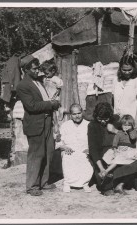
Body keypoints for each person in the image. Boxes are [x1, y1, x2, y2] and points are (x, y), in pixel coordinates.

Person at [16, 57, 61, 196]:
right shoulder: (23, 85)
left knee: (48, 152)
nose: (37, 71)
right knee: (36, 155)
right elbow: (32, 106)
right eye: (34, 69)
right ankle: (32, 186)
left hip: (47, 121)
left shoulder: (39, 82)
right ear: (25, 70)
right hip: (35, 124)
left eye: (37, 68)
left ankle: (44, 182)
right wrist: (51, 104)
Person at [88, 102, 137, 196]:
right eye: (100, 119)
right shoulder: (92, 125)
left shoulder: (116, 120)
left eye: (105, 119)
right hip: (102, 154)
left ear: (110, 116)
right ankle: (108, 184)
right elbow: (93, 149)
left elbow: (129, 135)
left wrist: (115, 130)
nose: (103, 121)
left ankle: (120, 185)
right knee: (105, 177)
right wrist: (101, 168)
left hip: (119, 150)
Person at [56, 104, 93, 193]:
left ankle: (85, 183)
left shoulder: (89, 125)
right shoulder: (65, 125)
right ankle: (67, 183)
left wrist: (90, 149)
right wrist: (64, 147)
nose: (77, 116)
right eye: (74, 114)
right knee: (68, 156)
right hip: (69, 150)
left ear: (82, 113)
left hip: (84, 150)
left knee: (85, 158)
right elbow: (58, 141)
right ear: (70, 115)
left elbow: (94, 141)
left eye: (79, 113)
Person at [113, 55, 137, 153]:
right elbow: (113, 101)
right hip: (119, 122)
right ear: (120, 68)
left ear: (134, 68)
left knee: (132, 149)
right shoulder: (116, 80)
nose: (127, 72)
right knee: (119, 149)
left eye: (129, 70)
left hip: (132, 121)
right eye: (124, 70)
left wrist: (136, 122)